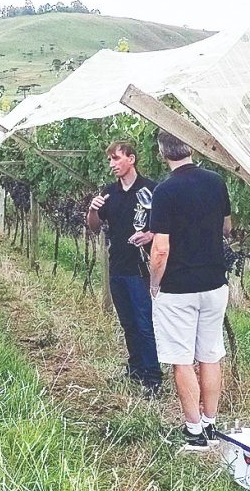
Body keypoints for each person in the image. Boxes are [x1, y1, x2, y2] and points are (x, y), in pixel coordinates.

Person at [147, 130, 232, 452]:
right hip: (214, 284)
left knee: (182, 360)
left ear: (161, 152)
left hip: (178, 289)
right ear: (191, 147)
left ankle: (194, 432)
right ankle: (210, 425)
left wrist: (155, 283)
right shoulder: (216, 182)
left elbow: (161, 249)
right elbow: (226, 227)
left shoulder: (165, 191)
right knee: (210, 355)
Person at [87, 141, 162, 395]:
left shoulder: (151, 190)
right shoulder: (109, 193)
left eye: (116, 158)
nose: (112, 164)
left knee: (144, 322)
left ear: (131, 159)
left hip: (142, 268)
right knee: (128, 322)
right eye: (110, 160)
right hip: (117, 265)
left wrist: (150, 235)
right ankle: (136, 368)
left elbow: (165, 228)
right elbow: (94, 227)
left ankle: (153, 376)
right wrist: (93, 210)